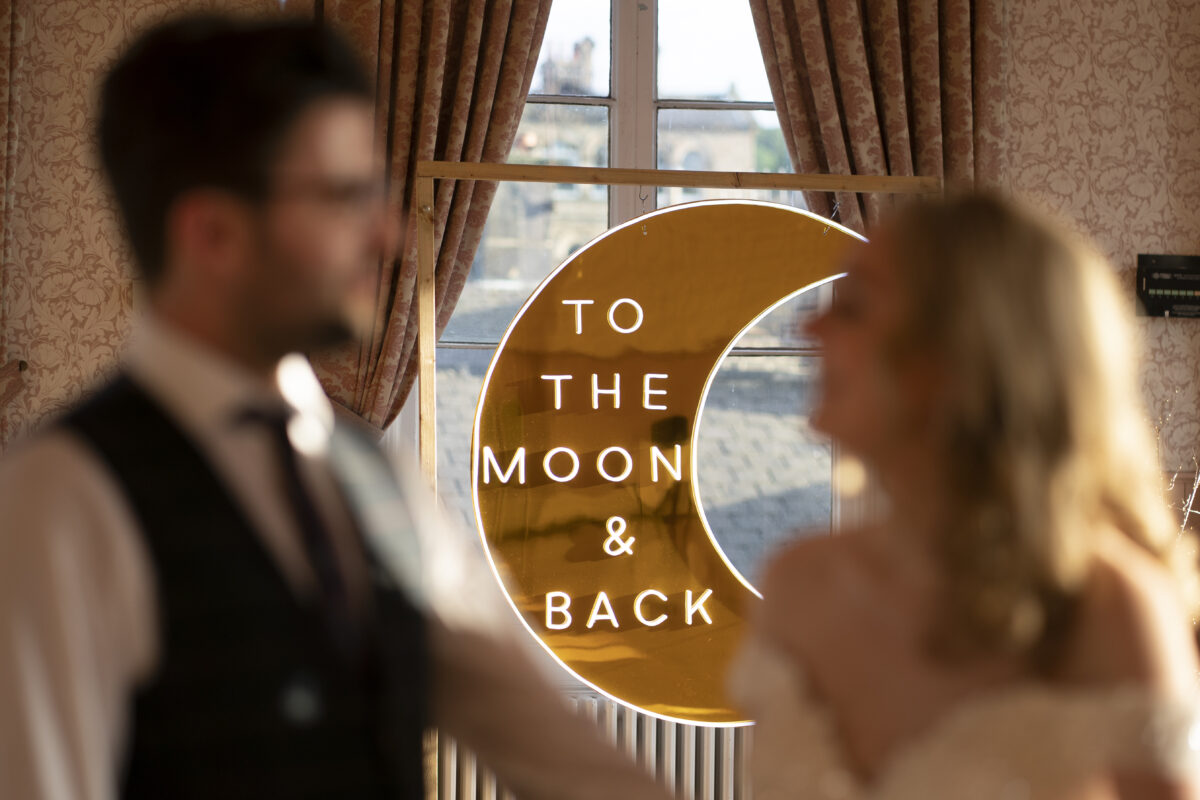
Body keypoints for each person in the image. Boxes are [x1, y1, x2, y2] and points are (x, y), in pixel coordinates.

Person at [0, 14, 671, 800]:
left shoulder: (376, 483)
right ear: (211, 232)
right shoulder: (56, 502)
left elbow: (566, 762)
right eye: (345, 196)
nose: (388, 233)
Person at [730, 193, 1200, 799]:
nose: (809, 326)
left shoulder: (1105, 607)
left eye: (853, 307)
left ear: (957, 351)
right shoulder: (798, 581)